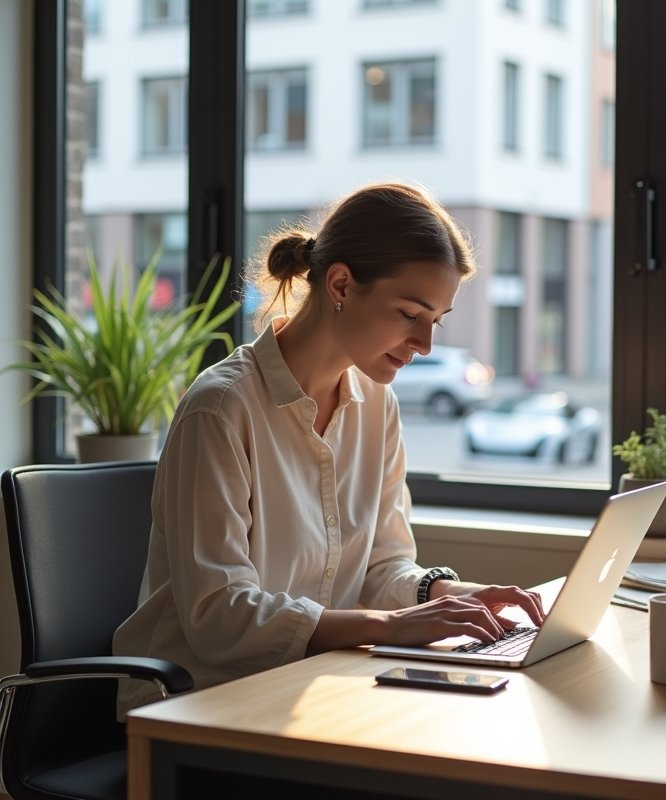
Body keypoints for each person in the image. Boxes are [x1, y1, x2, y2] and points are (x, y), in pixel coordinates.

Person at [113, 181, 545, 714]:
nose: (426, 345)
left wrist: (452, 597)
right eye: (410, 314)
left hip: (307, 688)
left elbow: (383, 567)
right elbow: (218, 615)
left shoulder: (376, 404)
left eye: (435, 321)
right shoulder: (221, 409)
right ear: (340, 284)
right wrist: (390, 626)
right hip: (194, 705)